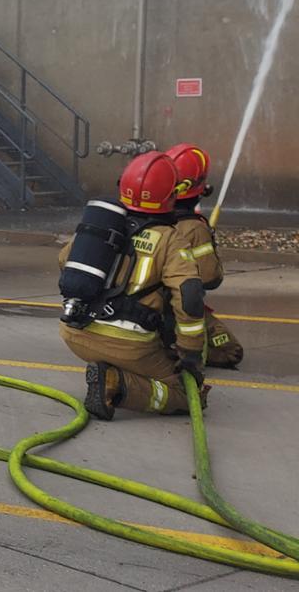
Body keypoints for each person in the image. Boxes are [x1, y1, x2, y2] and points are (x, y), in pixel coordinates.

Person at [59, 151, 221, 420]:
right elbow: (189, 295)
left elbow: (64, 260)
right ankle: (116, 384)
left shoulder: (103, 223)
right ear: (171, 196)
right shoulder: (170, 238)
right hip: (129, 345)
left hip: (75, 334)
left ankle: (111, 367)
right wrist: (190, 352)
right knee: (188, 395)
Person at [163, 143, 243, 369]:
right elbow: (210, 279)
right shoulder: (194, 229)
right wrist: (209, 245)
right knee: (231, 352)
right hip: (174, 309)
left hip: (141, 307)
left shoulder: (149, 218)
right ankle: (169, 350)